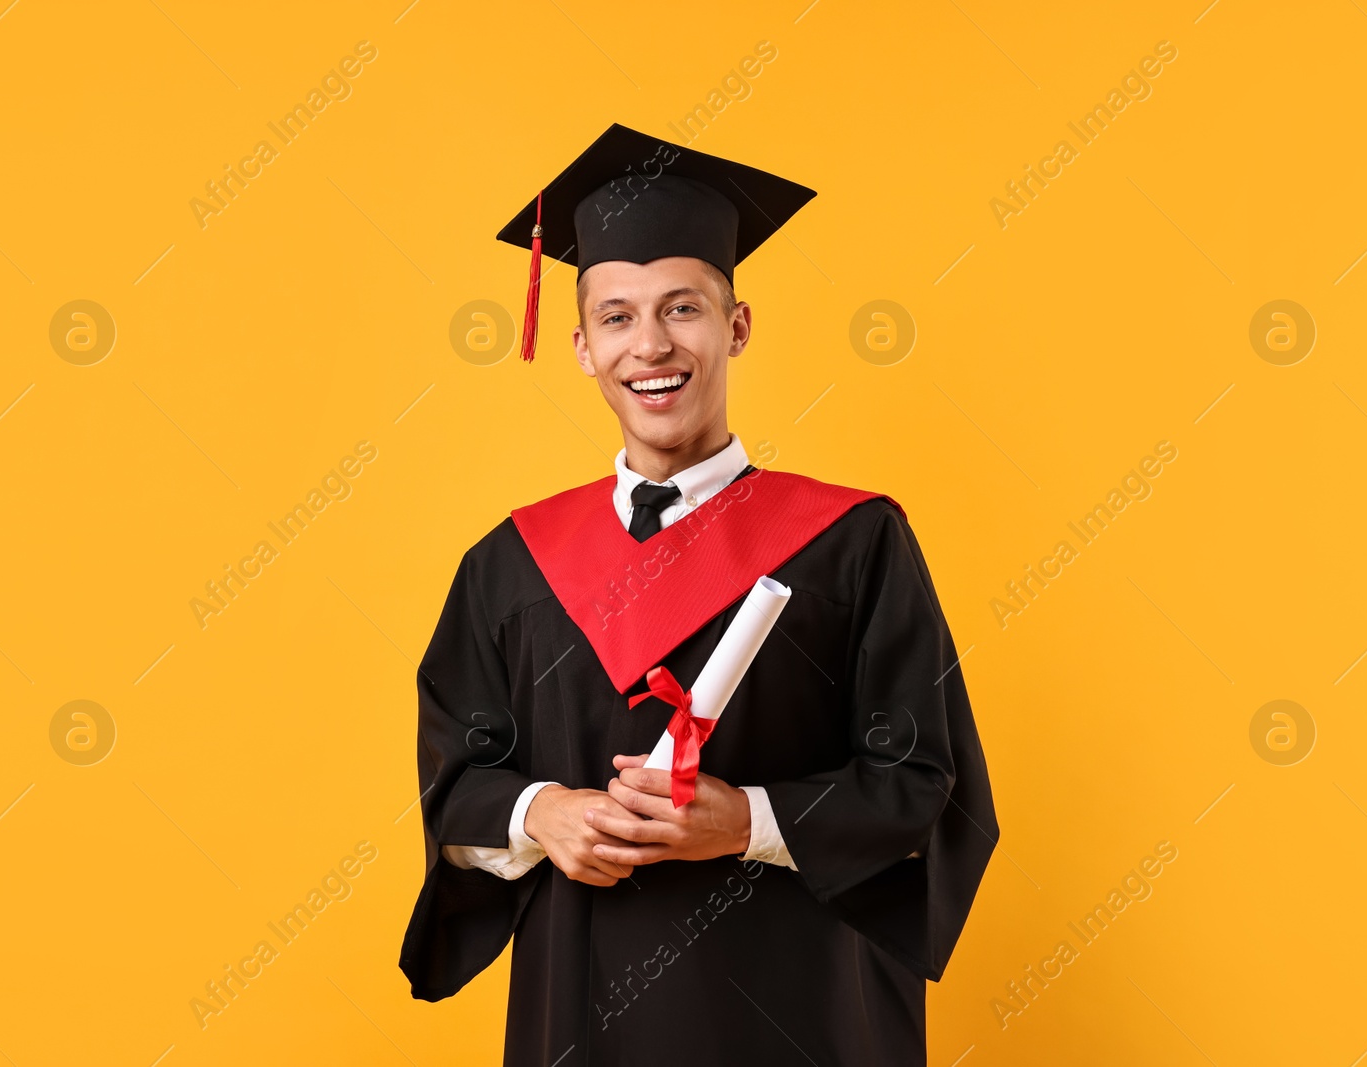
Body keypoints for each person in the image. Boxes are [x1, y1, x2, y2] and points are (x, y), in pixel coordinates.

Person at [399, 122, 998, 1066]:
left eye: (683, 308)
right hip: (580, 1012)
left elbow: (927, 785)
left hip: (803, 1005)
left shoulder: (852, 543)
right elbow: (458, 776)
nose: (651, 345)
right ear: (582, 348)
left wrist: (749, 818)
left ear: (737, 325)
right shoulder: (510, 564)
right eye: (617, 316)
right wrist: (540, 812)